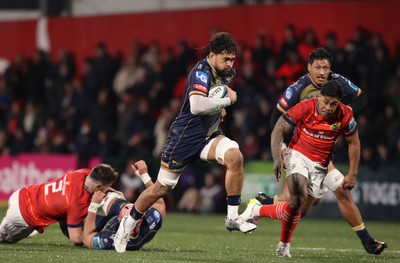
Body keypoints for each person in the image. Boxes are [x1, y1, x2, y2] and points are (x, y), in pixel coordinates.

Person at [114, 31, 256, 253]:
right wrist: (227, 100)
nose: (229, 64)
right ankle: (128, 223)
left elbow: (212, 98)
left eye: (232, 59)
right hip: (183, 139)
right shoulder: (201, 71)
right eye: (225, 59)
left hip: (208, 136)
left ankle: (231, 217)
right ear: (212, 55)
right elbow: (197, 106)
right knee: (160, 189)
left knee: (235, 157)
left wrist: (220, 109)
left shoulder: (226, 72)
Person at [256, 47, 387, 255]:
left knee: (303, 206)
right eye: (317, 67)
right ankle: (367, 241)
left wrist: (346, 112)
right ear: (309, 68)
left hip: (324, 146)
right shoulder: (299, 87)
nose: (322, 72)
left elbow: (362, 98)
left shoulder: (338, 83)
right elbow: (276, 118)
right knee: (313, 199)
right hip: (301, 147)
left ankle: (262, 204)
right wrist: (280, 148)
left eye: (326, 67)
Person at [242, 80, 372, 257]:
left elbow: (354, 143)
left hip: (321, 165)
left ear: (339, 102)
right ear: (319, 97)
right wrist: (277, 157)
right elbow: (278, 129)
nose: (328, 107)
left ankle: (257, 209)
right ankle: (284, 246)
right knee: (297, 199)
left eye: (333, 103)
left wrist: (353, 173)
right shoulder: (305, 107)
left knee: (298, 211)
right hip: (297, 154)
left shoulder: (345, 114)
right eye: (325, 101)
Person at [0, 163, 119, 245]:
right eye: (107, 187)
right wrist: (96, 235)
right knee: (5, 239)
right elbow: (76, 239)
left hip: (23, 193)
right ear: (98, 186)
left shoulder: (82, 173)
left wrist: (115, 193)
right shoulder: (77, 203)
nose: (107, 189)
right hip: (23, 215)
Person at [82, 160, 165, 250]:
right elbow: (159, 202)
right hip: (120, 212)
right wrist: (144, 175)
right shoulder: (150, 222)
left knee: (78, 234)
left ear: (119, 220)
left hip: (105, 220)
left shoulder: (113, 240)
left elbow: (86, 239)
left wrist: (93, 205)